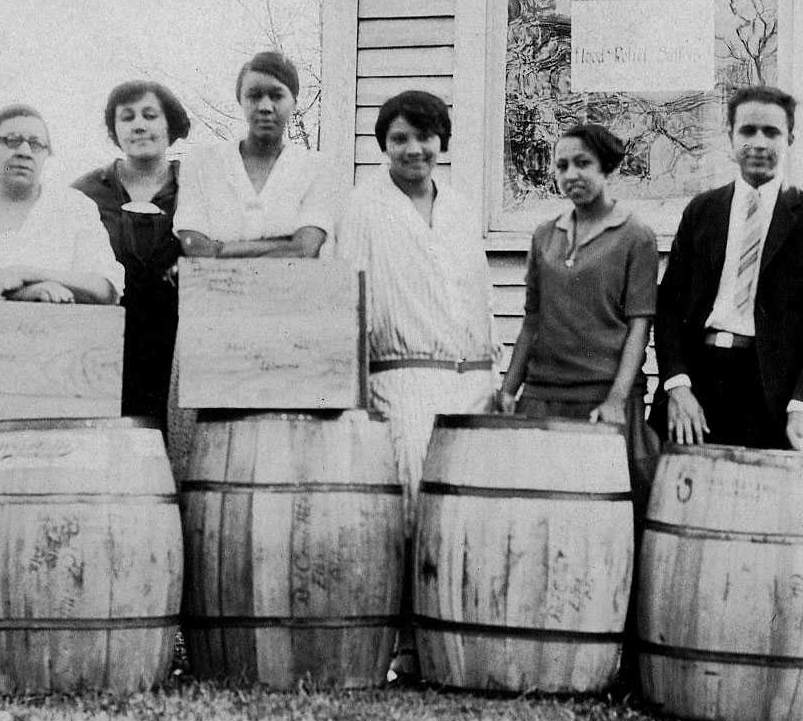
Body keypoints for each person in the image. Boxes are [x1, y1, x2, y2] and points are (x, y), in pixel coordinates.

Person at [651, 86, 803, 458]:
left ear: (789, 138)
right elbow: (669, 307)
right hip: (698, 383)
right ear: (730, 138)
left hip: (770, 390)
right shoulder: (702, 211)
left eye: (771, 132)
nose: (758, 143)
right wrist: (676, 385)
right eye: (747, 131)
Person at [334, 91, 499, 501]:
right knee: (414, 507)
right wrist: (353, 400)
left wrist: (493, 378)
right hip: (403, 384)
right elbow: (348, 307)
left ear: (441, 139)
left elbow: (481, 297)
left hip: (473, 383)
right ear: (385, 145)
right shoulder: (362, 207)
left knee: (467, 516)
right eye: (400, 139)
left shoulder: (459, 208)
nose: (413, 150)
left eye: (424, 137)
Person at [495, 122, 657, 429]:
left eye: (583, 163)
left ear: (606, 168)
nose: (571, 175)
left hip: (603, 395)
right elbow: (532, 321)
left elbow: (639, 327)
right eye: (562, 166)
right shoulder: (544, 235)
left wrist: (616, 400)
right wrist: (509, 389)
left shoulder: (636, 236)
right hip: (542, 392)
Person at [72, 79, 192, 421]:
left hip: (179, 347)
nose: (138, 125)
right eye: (127, 117)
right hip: (104, 348)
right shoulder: (86, 192)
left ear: (170, 125)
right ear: (115, 130)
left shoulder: (198, 187)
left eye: (150, 115)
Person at [0, 104, 122, 305]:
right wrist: (20, 294)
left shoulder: (75, 208)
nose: (24, 152)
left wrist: (25, 274)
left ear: (46, 154)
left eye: (36, 144)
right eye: (12, 141)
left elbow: (103, 288)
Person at [173, 51, 337, 260]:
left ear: (294, 102)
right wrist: (284, 244)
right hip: (217, 290)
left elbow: (304, 249)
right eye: (254, 95)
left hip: (291, 291)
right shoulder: (202, 163)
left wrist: (221, 249)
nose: (266, 107)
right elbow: (195, 247)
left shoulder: (316, 168)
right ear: (240, 99)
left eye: (277, 96)